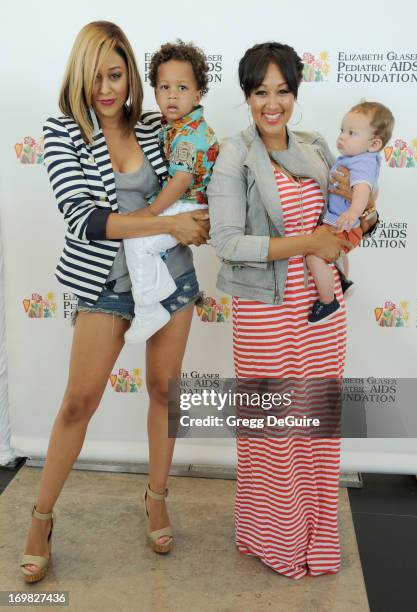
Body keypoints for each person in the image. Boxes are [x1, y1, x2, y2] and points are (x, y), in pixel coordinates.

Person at [20, 21, 209, 583]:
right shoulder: (61, 131)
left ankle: (155, 498)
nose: (106, 88)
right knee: (78, 402)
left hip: (171, 278)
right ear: (79, 76)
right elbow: (86, 218)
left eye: (116, 74)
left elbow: (198, 167)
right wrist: (168, 223)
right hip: (104, 283)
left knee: (162, 392)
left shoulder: (156, 126)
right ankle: (41, 517)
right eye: (96, 75)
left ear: (130, 75)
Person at [207, 42, 378, 579]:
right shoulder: (235, 153)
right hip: (266, 312)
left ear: (297, 93)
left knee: (317, 428)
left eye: (283, 91)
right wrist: (312, 242)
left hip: (321, 312)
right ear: (246, 95)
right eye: (261, 92)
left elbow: (344, 220)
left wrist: (361, 220)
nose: (272, 103)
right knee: (276, 433)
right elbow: (229, 242)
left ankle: (313, 539)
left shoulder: (318, 146)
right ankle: (275, 540)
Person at [123, 41, 218, 344]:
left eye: (182, 87)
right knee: (140, 240)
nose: (172, 95)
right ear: (155, 93)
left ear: (198, 94)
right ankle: (155, 294)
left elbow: (179, 181)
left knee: (137, 240)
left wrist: (150, 213)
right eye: (164, 87)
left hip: (187, 205)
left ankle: (150, 305)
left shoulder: (188, 134)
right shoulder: (173, 125)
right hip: (184, 203)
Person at [306, 101, 394, 324]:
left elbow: (363, 190)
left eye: (352, 133)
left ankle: (328, 302)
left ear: (374, 144)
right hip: (341, 223)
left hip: (344, 224)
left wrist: (354, 212)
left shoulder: (363, 163)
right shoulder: (355, 158)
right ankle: (343, 281)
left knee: (314, 256)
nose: (342, 137)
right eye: (342, 130)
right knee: (339, 253)